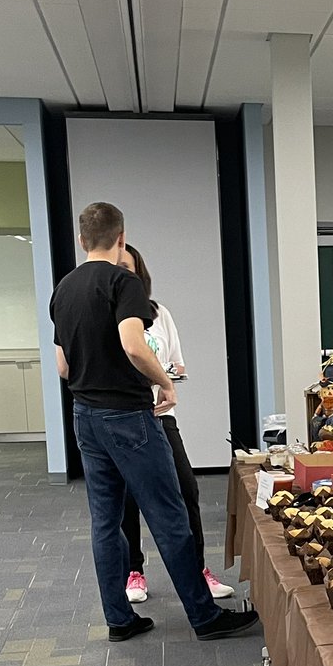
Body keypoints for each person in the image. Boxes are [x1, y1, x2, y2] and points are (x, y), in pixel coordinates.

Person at [50, 201, 258, 642]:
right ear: (121, 237)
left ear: (81, 239)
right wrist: (166, 383)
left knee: (105, 522)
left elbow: (63, 367)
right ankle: (204, 617)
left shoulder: (64, 288)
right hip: (127, 416)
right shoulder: (123, 282)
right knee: (169, 514)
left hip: (84, 417)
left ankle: (119, 620)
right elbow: (133, 344)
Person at [117, 244, 233, 603]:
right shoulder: (106, 315)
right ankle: (133, 572)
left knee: (187, 491)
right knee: (127, 499)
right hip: (124, 420)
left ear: (140, 275)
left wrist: (165, 376)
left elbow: (178, 364)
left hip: (161, 417)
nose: (123, 275)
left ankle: (199, 570)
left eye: (129, 268)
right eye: (118, 268)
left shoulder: (158, 313)